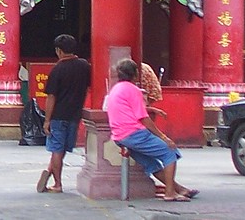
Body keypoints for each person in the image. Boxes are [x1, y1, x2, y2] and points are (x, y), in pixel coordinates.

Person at [106, 59, 197, 202]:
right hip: (134, 133)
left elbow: (127, 108)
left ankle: (179, 189)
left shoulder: (116, 89)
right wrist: (163, 137)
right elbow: (143, 118)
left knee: (152, 164)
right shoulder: (134, 90)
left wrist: (150, 108)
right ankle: (169, 193)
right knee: (169, 152)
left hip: (119, 136)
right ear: (135, 74)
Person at [38, 34, 91, 194]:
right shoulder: (84, 66)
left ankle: (58, 183)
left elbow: (51, 96)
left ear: (59, 50)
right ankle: (50, 170)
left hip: (58, 116)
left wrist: (47, 120)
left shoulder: (57, 69)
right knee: (62, 149)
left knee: (56, 149)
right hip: (75, 115)